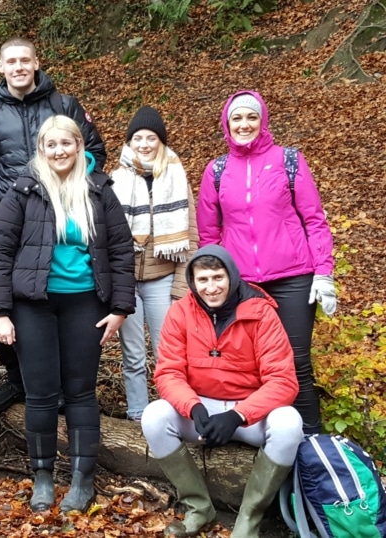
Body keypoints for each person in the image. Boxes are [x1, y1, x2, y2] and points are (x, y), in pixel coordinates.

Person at [0, 115, 136, 513]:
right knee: (40, 393)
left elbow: (121, 251)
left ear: (79, 146)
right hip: (32, 304)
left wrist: (121, 308)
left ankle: (82, 480)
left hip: (85, 302)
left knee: (81, 391)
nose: (59, 151)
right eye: (51, 145)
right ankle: (43, 476)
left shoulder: (99, 190)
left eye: (66, 143)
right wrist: (0, 311)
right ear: (41, 149)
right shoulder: (24, 190)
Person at [0, 36, 107, 414]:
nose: (18, 67)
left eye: (24, 60)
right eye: (11, 61)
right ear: (1, 67)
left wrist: (72, 189)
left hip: (62, 220)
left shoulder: (64, 105)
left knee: (52, 301)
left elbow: (94, 152)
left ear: (36, 63)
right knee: (5, 302)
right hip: (11, 224)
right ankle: (19, 380)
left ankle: (59, 385)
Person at [196, 90, 335, 434]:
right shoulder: (217, 171)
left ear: (263, 121)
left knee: (296, 363)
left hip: (293, 277)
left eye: (251, 117)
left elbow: (314, 220)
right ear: (227, 124)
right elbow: (208, 234)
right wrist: (213, 281)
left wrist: (324, 272)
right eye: (237, 118)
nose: (244, 124)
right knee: (250, 364)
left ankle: (310, 442)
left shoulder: (289, 161)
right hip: (243, 283)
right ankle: (263, 438)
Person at [141, 245, 303, 537]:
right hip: (203, 409)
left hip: (250, 414)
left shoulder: (261, 313)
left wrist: (239, 415)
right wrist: (193, 408)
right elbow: (168, 372)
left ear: (232, 276)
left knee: (289, 423)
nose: (211, 287)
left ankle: (249, 520)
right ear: (193, 282)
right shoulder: (180, 312)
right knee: (154, 415)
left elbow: (283, 380)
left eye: (218, 277)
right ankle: (198, 507)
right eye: (203, 279)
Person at [110, 106, 197, 422]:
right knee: (133, 354)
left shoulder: (176, 177)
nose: (144, 144)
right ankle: (137, 414)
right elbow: (105, 237)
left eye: (151, 138)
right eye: (138, 138)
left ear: (161, 141)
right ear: (129, 142)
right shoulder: (115, 180)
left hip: (163, 278)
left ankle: (172, 412)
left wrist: (180, 288)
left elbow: (191, 236)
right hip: (126, 281)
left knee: (168, 353)